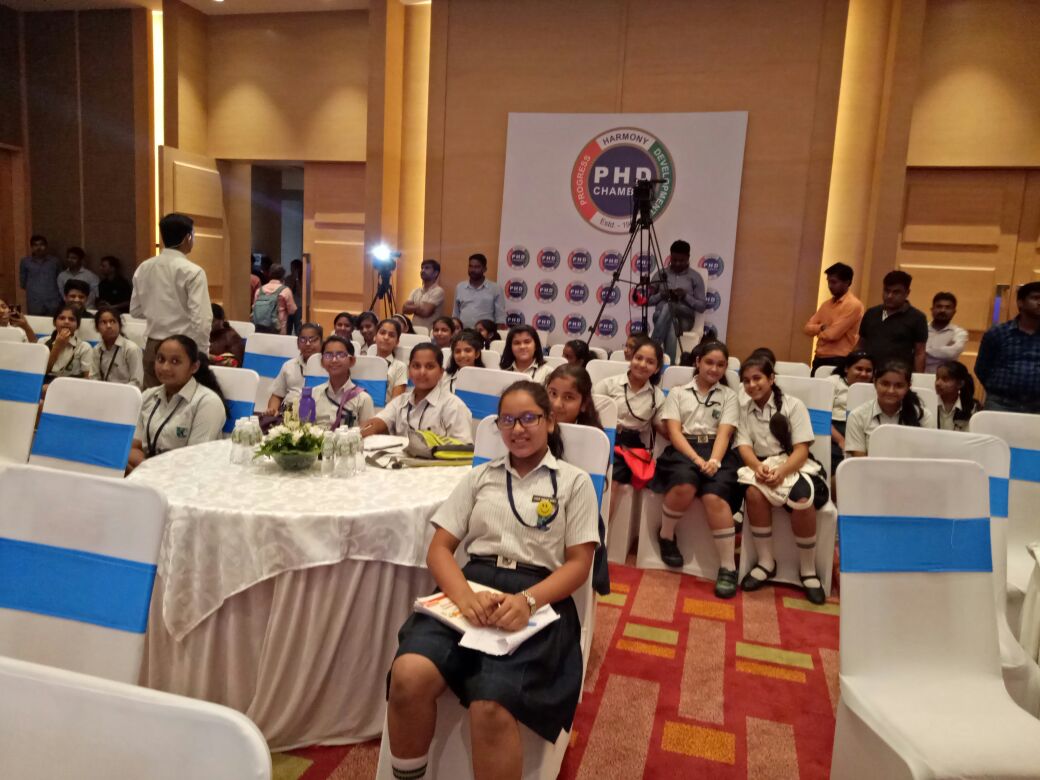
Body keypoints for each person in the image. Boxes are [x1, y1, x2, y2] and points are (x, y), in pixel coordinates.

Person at [386, 381, 598, 780]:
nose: (517, 429)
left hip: (539, 597)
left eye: (529, 419)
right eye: (507, 420)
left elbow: (578, 565)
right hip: (473, 587)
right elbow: (439, 550)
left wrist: (528, 602)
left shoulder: (574, 482)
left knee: (492, 702)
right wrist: (463, 597)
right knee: (409, 674)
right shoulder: (479, 477)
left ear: (550, 423)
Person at [647, 341, 741, 596]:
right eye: (709, 362)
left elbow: (725, 433)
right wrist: (697, 460)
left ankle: (728, 567)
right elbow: (674, 433)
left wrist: (715, 461)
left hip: (717, 452)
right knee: (685, 484)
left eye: (720, 365)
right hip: (683, 450)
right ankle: (666, 536)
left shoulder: (730, 396)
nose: (714, 369)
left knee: (715, 496)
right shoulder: (678, 393)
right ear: (697, 361)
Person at [734, 356, 828, 604]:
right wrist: (757, 468)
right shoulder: (743, 410)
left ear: (771, 378)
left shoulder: (793, 406)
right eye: (746, 380)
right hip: (761, 466)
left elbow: (801, 449)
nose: (752, 385)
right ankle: (766, 562)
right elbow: (744, 446)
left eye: (757, 378)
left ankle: (807, 570)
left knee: (803, 499)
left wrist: (783, 472)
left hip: (791, 464)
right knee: (753, 494)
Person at [130, 213, 213, 388]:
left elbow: (135, 310)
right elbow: (202, 320)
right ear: (187, 238)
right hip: (181, 348)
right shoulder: (193, 271)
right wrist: (202, 353)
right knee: (180, 405)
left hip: (153, 347)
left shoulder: (144, 267)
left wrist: (158, 312)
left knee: (152, 403)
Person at [127, 335, 227, 471]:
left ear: (194, 367)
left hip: (188, 481)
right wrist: (147, 469)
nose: (165, 367)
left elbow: (194, 460)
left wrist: (146, 469)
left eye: (175, 361)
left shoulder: (207, 403)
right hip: (147, 474)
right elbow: (132, 447)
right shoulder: (147, 396)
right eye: (160, 359)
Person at [593, 336, 667, 516]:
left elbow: (661, 428)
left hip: (630, 447)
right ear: (631, 359)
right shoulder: (608, 385)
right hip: (602, 438)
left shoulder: (657, 396)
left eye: (650, 362)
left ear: (657, 368)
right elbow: (589, 413)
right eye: (638, 358)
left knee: (614, 477)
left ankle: (599, 534)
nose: (642, 364)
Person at [362, 343, 472, 442]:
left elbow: (464, 449)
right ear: (409, 371)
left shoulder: (454, 406)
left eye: (430, 366)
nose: (422, 372)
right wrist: (363, 431)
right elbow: (379, 421)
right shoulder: (400, 402)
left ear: (441, 372)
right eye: (416, 366)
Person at [844, 360, 936, 456]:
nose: (891, 391)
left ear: (908, 387)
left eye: (899, 386)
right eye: (885, 384)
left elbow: (927, 458)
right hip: (871, 470)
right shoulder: (857, 416)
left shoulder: (923, 416)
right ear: (875, 383)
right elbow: (859, 462)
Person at [974, 282, 1040, 414]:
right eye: (1036, 298)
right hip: (1001, 403)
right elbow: (982, 368)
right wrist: (997, 390)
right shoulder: (998, 333)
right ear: (1020, 302)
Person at [856, 270, 928, 372]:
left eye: (896, 292)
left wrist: (918, 378)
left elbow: (919, 353)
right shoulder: (871, 313)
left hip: (898, 375)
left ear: (907, 293)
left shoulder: (917, 318)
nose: (889, 296)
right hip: (868, 372)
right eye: (886, 291)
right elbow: (860, 345)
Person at [648, 240, 707, 362]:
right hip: (661, 318)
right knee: (670, 321)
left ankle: (652, 349)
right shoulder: (660, 274)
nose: (677, 263)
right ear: (670, 256)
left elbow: (701, 306)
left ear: (688, 258)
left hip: (685, 319)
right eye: (674, 260)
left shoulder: (695, 277)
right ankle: (669, 364)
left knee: (669, 308)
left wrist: (685, 296)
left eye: (682, 260)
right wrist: (661, 295)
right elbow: (647, 301)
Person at [803, 262, 864, 374]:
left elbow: (832, 335)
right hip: (819, 358)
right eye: (829, 282)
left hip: (839, 360)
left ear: (847, 282)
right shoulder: (826, 304)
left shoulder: (853, 305)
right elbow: (806, 329)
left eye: (834, 282)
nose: (830, 286)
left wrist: (819, 330)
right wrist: (821, 327)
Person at [311, 336, 375, 429]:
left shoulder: (363, 399)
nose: (334, 360)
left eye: (341, 355)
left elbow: (368, 434)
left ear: (352, 361)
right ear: (322, 362)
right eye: (328, 355)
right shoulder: (313, 394)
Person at [827, 351, 874, 470]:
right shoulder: (833, 382)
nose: (864, 374)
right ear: (847, 368)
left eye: (868, 371)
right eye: (859, 369)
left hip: (863, 431)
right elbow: (821, 419)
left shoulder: (875, 387)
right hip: (834, 430)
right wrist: (840, 440)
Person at [265, 323, 323, 415]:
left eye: (313, 340)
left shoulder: (329, 366)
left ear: (322, 342)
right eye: (303, 340)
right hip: (288, 413)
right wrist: (272, 410)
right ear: (298, 344)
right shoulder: (289, 365)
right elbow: (276, 395)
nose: (308, 344)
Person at [88, 307, 143, 388]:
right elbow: (94, 377)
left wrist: (117, 394)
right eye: (103, 322)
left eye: (112, 321)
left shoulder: (131, 349)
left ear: (120, 325)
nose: (109, 326)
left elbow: (137, 382)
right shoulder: (97, 349)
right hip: (103, 394)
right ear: (97, 328)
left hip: (126, 394)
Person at [453, 253, 506, 328]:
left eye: (477, 267)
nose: (473, 270)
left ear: (484, 269)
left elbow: (500, 317)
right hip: (464, 333)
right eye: (470, 266)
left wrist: (496, 336)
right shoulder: (460, 287)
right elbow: (455, 314)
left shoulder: (496, 288)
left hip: (486, 334)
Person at [545, 364, 603, 429]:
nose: (556, 404)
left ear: (584, 404)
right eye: (553, 393)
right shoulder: (533, 425)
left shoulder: (594, 436)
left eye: (568, 397)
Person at [19, 234, 62, 316]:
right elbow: (23, 282)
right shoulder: (25, 262)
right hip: (34, 301)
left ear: (46, 246)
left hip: (53, 301)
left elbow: (60, 280)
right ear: (31, 247)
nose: (38, 247)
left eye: (41, 244)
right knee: (35, 324)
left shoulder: (55, 261)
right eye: (35, 245)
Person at [44, 306, 91, 381]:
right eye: (62, 318)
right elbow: (41, 373)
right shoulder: (43, 342)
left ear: (77, 325)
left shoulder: (84, 347)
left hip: (73, 385)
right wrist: (57, 346)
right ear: (54, 322)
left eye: (71, 319)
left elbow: (88, 378)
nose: (66, 322)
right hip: (46, 383)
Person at [925, 292, 967, 373]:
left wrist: (924, 351)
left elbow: (952, 353)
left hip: (946, 379)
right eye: (939, 306)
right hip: (920, 375)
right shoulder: (921, 329)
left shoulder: (960, 333)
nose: (943, 310)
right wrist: (943, 351)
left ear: (954, 312)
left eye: (948, 307)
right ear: (932, 309)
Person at [252, 264, 297, 335]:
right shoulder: (285, 290)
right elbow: (292, 310)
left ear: (269, 274)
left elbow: (254, 307)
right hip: (278, 330)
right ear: (283, 275)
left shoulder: (259, 290)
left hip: (259, 328)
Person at [935, 360, 979, 432]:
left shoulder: (972, 407)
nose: (938, 383)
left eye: (945, 379)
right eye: (937, 378)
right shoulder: (928, 402)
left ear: (960, 384)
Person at [370, 318, 409, 400]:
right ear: (375, 337)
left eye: (391, 335)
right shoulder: (366, 362)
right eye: (382, 333)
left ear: (397, 341)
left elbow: (396, 402)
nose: (386, 337)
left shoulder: (400, 367)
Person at [403, 259, 446, 331]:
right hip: (414, 330)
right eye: (422, 268)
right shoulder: (415, 291)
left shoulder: (438, 291)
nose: (423, 270)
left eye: (427, 268)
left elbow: (426, 312)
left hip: (430, 332)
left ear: (436, 273)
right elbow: (404, 309)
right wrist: (420, 307)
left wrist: (413, 308)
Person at [287, 259, 304, 335]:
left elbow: (301, 293)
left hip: (299, 306)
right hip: (289, 306)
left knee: (298, 328)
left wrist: (297, 279)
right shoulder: (288, 278)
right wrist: (292, 280)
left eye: (293, 268)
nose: (291, 270)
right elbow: (287, 291)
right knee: (288, 328)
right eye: (291, 268)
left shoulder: (303, 279)